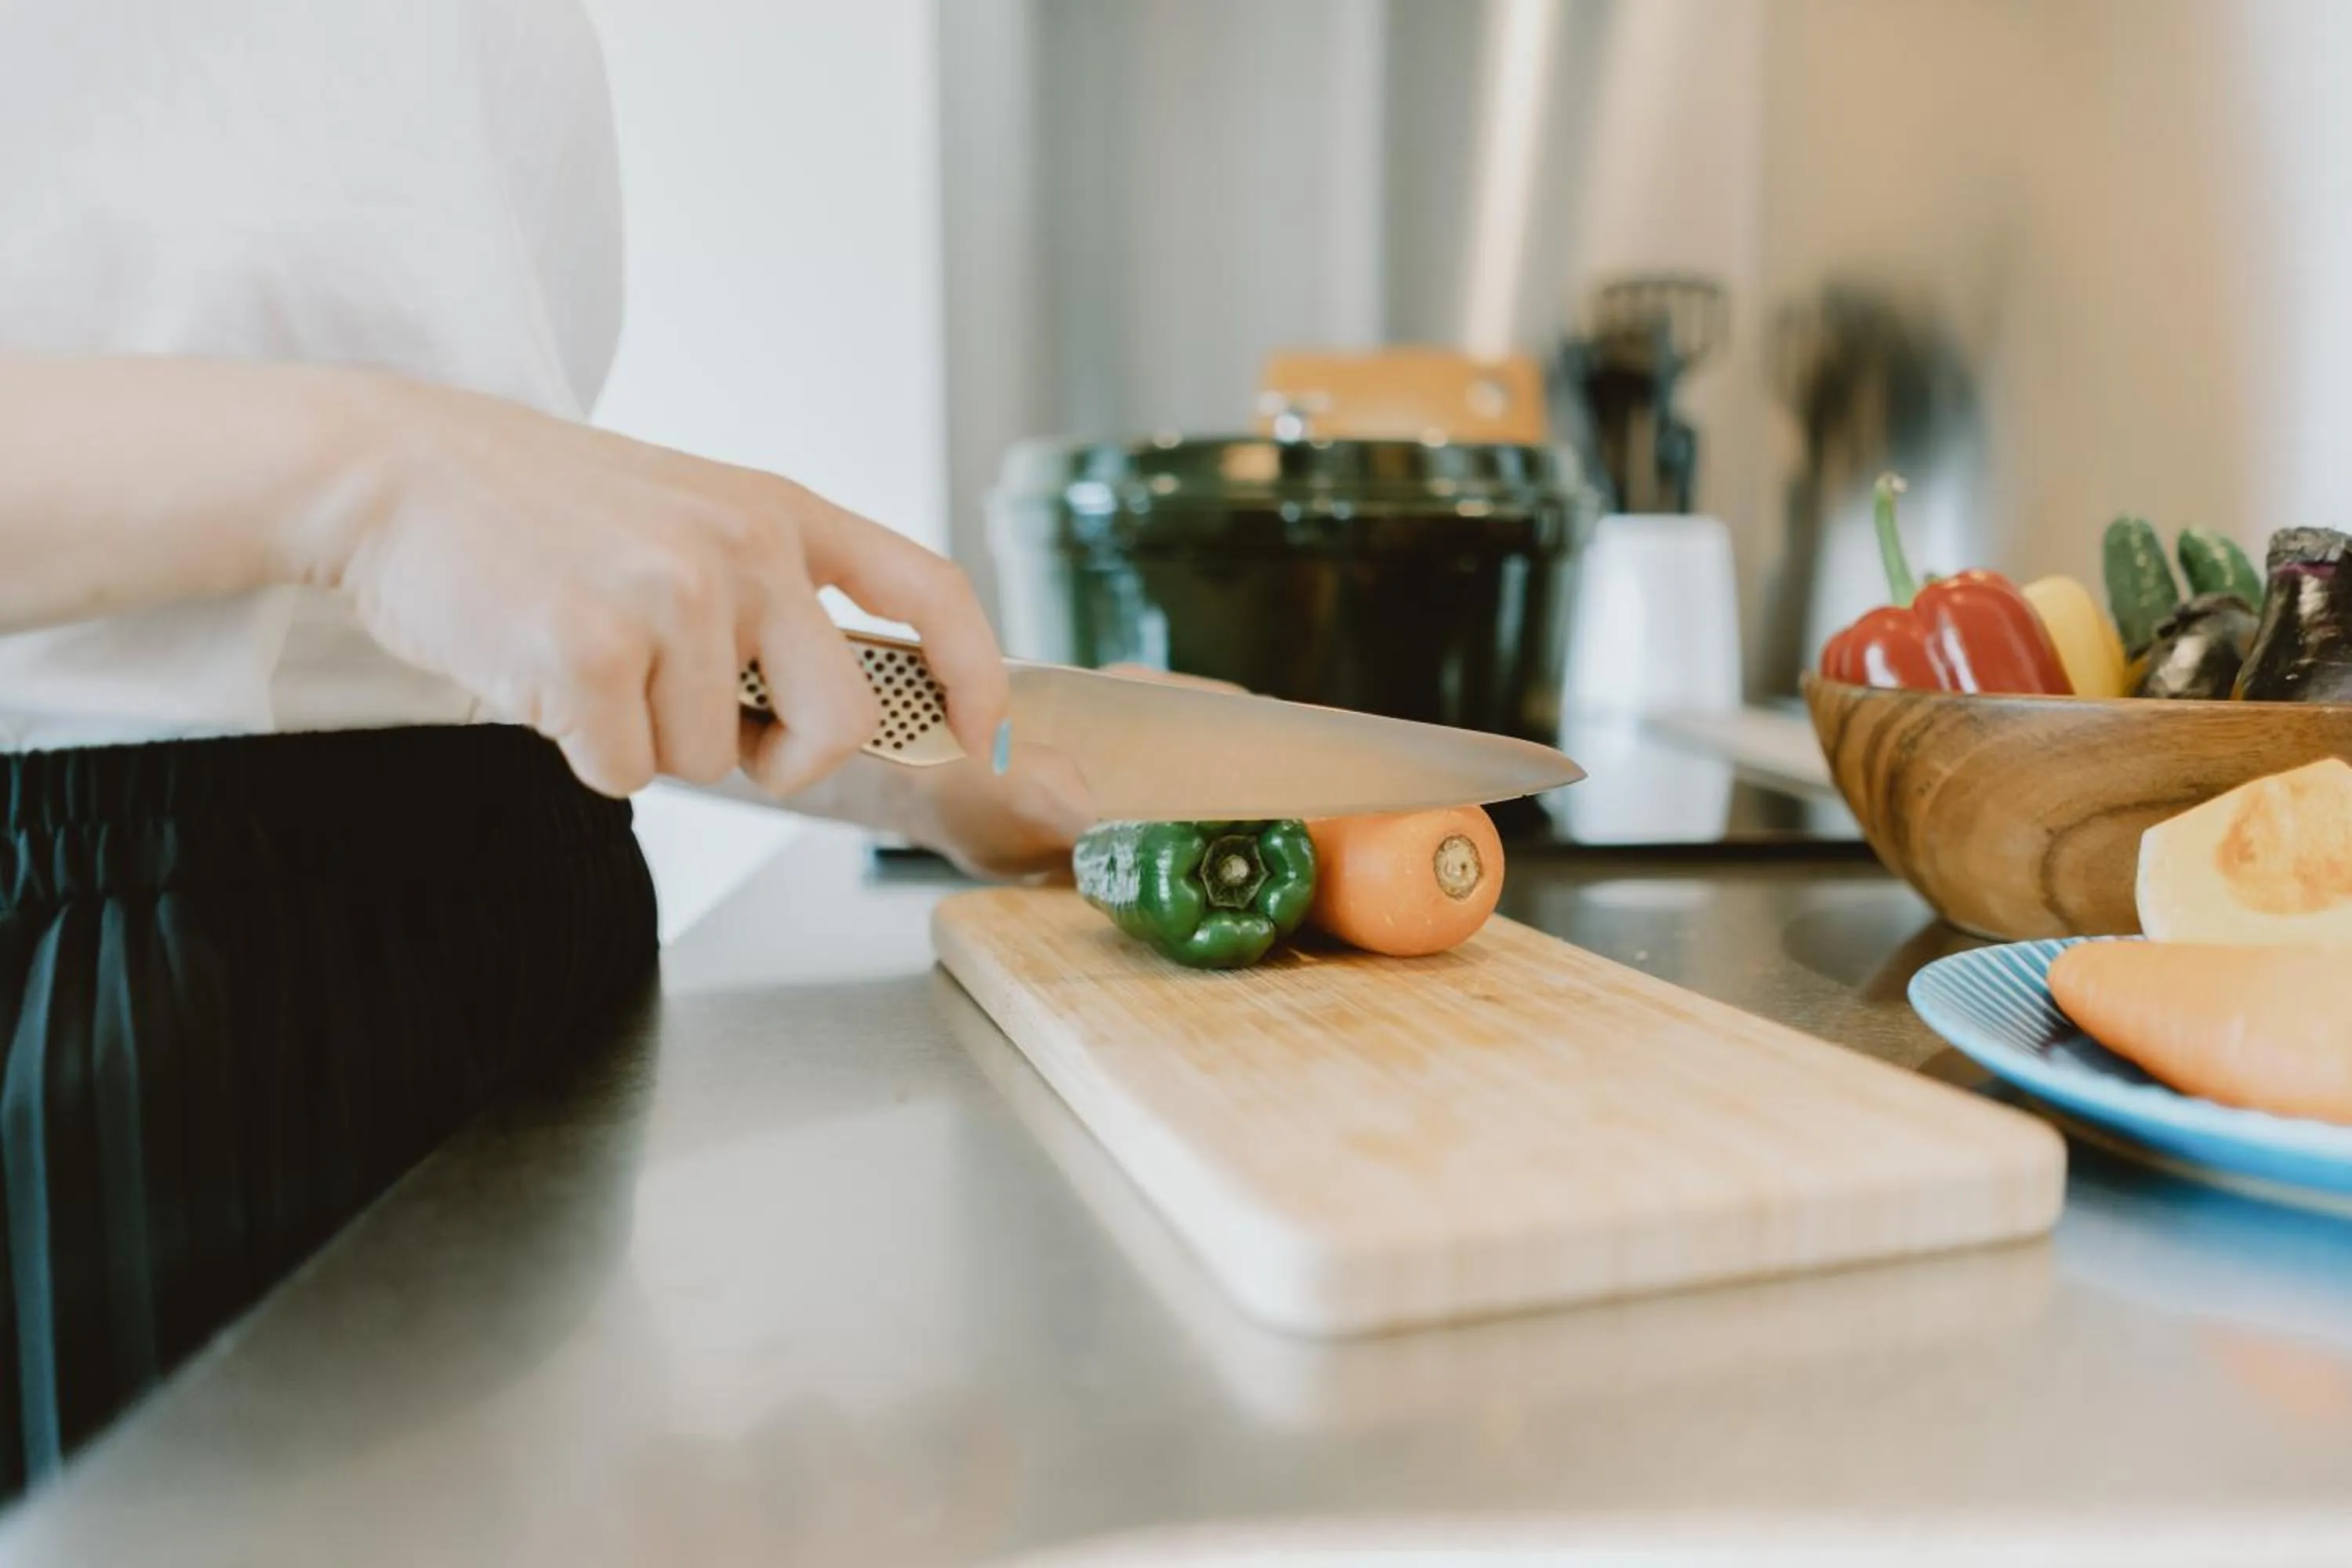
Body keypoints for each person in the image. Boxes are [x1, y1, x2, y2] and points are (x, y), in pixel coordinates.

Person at [0, 0, 1091, 1497]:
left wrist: (899, 753)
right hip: (124, 1027)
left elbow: (446, 595)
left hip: (533, 921)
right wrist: (373, 476)